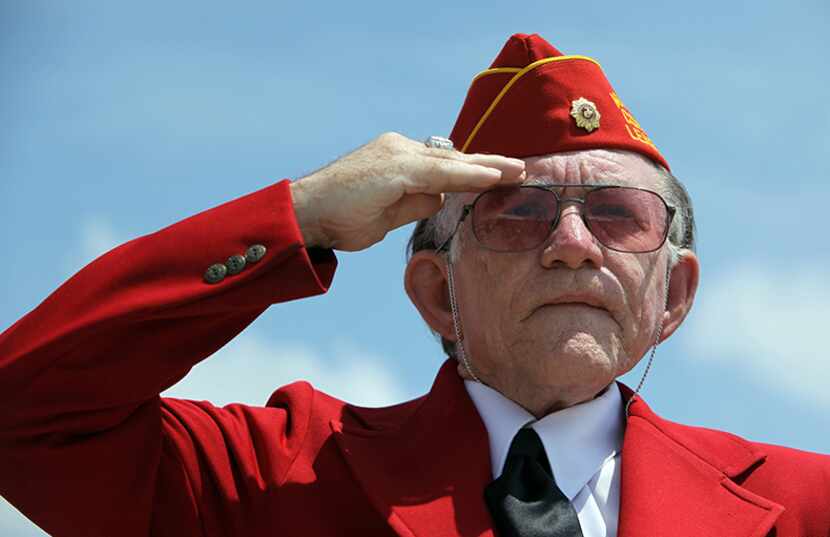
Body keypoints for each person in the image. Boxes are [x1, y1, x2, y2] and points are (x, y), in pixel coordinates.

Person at [0, 32, 827, 537]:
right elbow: (24, 418)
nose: (573, 243)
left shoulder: (806, 504)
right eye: (517, 211)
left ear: (673, 295)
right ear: (437, 293)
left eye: (617, 213)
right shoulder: (283, 476)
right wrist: (304, 215)